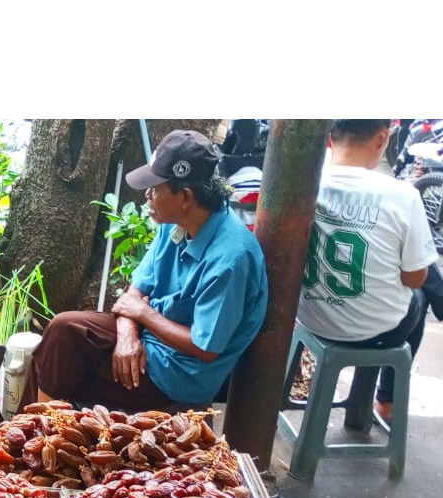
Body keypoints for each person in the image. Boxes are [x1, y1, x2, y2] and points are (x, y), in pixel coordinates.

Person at [28, 129, 268, 412]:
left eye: (155, 189)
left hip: (177, 374)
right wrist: (127, 333)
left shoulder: (231, 259)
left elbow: (205, 348)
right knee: (62, 333)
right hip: (147, 338)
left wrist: (142, 314)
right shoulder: (174, 222)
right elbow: (135, 293)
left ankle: (38, 432)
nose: (147, 196)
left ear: (186, 197)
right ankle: (35, 431)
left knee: (59, 363)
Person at [296, 119, 436, 425]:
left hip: (310, 321)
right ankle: (384, 401)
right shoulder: (403, 194)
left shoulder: (304, 181)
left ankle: (364, 405)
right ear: (382, 138)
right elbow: (414, 279)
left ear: (330, 139)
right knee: (420, 294)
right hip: (376, 333)